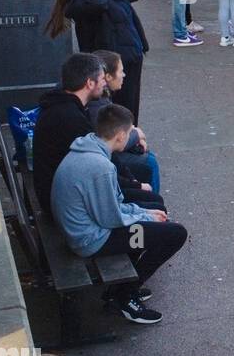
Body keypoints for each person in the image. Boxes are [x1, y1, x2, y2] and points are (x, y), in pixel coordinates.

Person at [51, 103, 187, 324]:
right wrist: (146, 217)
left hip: (87, 230)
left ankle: (123, 288)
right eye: (131, 131)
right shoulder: (99, 167)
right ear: (121, 135)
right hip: (93, 241)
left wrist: (144, 212)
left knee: (158, 223)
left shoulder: (88, 148)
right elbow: (111, 219)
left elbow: (114, 204)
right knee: (175, 234)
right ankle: (125, 296)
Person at [46, 0, 150, 120]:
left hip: (131, 60)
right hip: (107, 67)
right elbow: (97, 4)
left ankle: (130, 139)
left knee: (130, 109)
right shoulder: (81, 1)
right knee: (114, 112)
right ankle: (120, 142)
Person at [30, 52, 111, 218]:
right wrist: (135, 185)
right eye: (102, 78)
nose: (105, 82)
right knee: (145, 173)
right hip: (63, 204)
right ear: (89, 83)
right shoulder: (70, 118)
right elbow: (96, 162)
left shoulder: (61, 105)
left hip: (56, 192)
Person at [87, 50, 160, 194]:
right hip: (103, 156)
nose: (123, 75)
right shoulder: (98, 103)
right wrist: (136, 135)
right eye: (121, 71)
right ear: (107, 76)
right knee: (150, 162)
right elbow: (109, 137)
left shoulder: (101, 98)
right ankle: (151, 199)